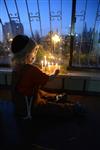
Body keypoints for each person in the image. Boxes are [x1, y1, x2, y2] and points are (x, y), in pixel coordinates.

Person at [11, 34, 59, 118]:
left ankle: (56, 97)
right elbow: (48, 79)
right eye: (34, 51)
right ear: (27, 54)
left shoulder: (16, 68)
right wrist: (55, 73)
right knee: (54, 109)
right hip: (30, 106)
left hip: (19, 105)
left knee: (40, 92)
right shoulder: (31, 69)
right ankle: (73, 108)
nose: (34, 54)